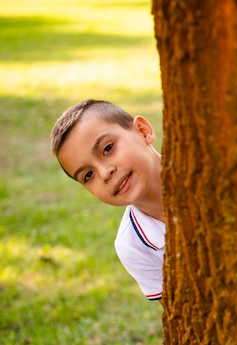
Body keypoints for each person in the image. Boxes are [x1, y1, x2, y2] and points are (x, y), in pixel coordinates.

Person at [51, 100, 164, 302]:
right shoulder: (133, 245)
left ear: (143, 130)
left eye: (107, 148)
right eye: (88, 175)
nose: (104, 173)